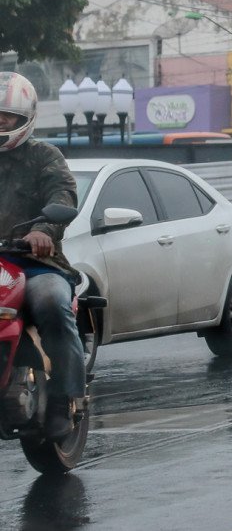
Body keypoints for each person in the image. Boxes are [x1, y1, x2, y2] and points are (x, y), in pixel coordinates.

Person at [0, 71, 83, 440]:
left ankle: (65, 398)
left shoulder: (44, 156)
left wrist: (42, 233)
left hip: (34, 264)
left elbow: (62, 196)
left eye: (7, 117)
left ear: (25, 119)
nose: (0, 122)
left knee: (51, 302)